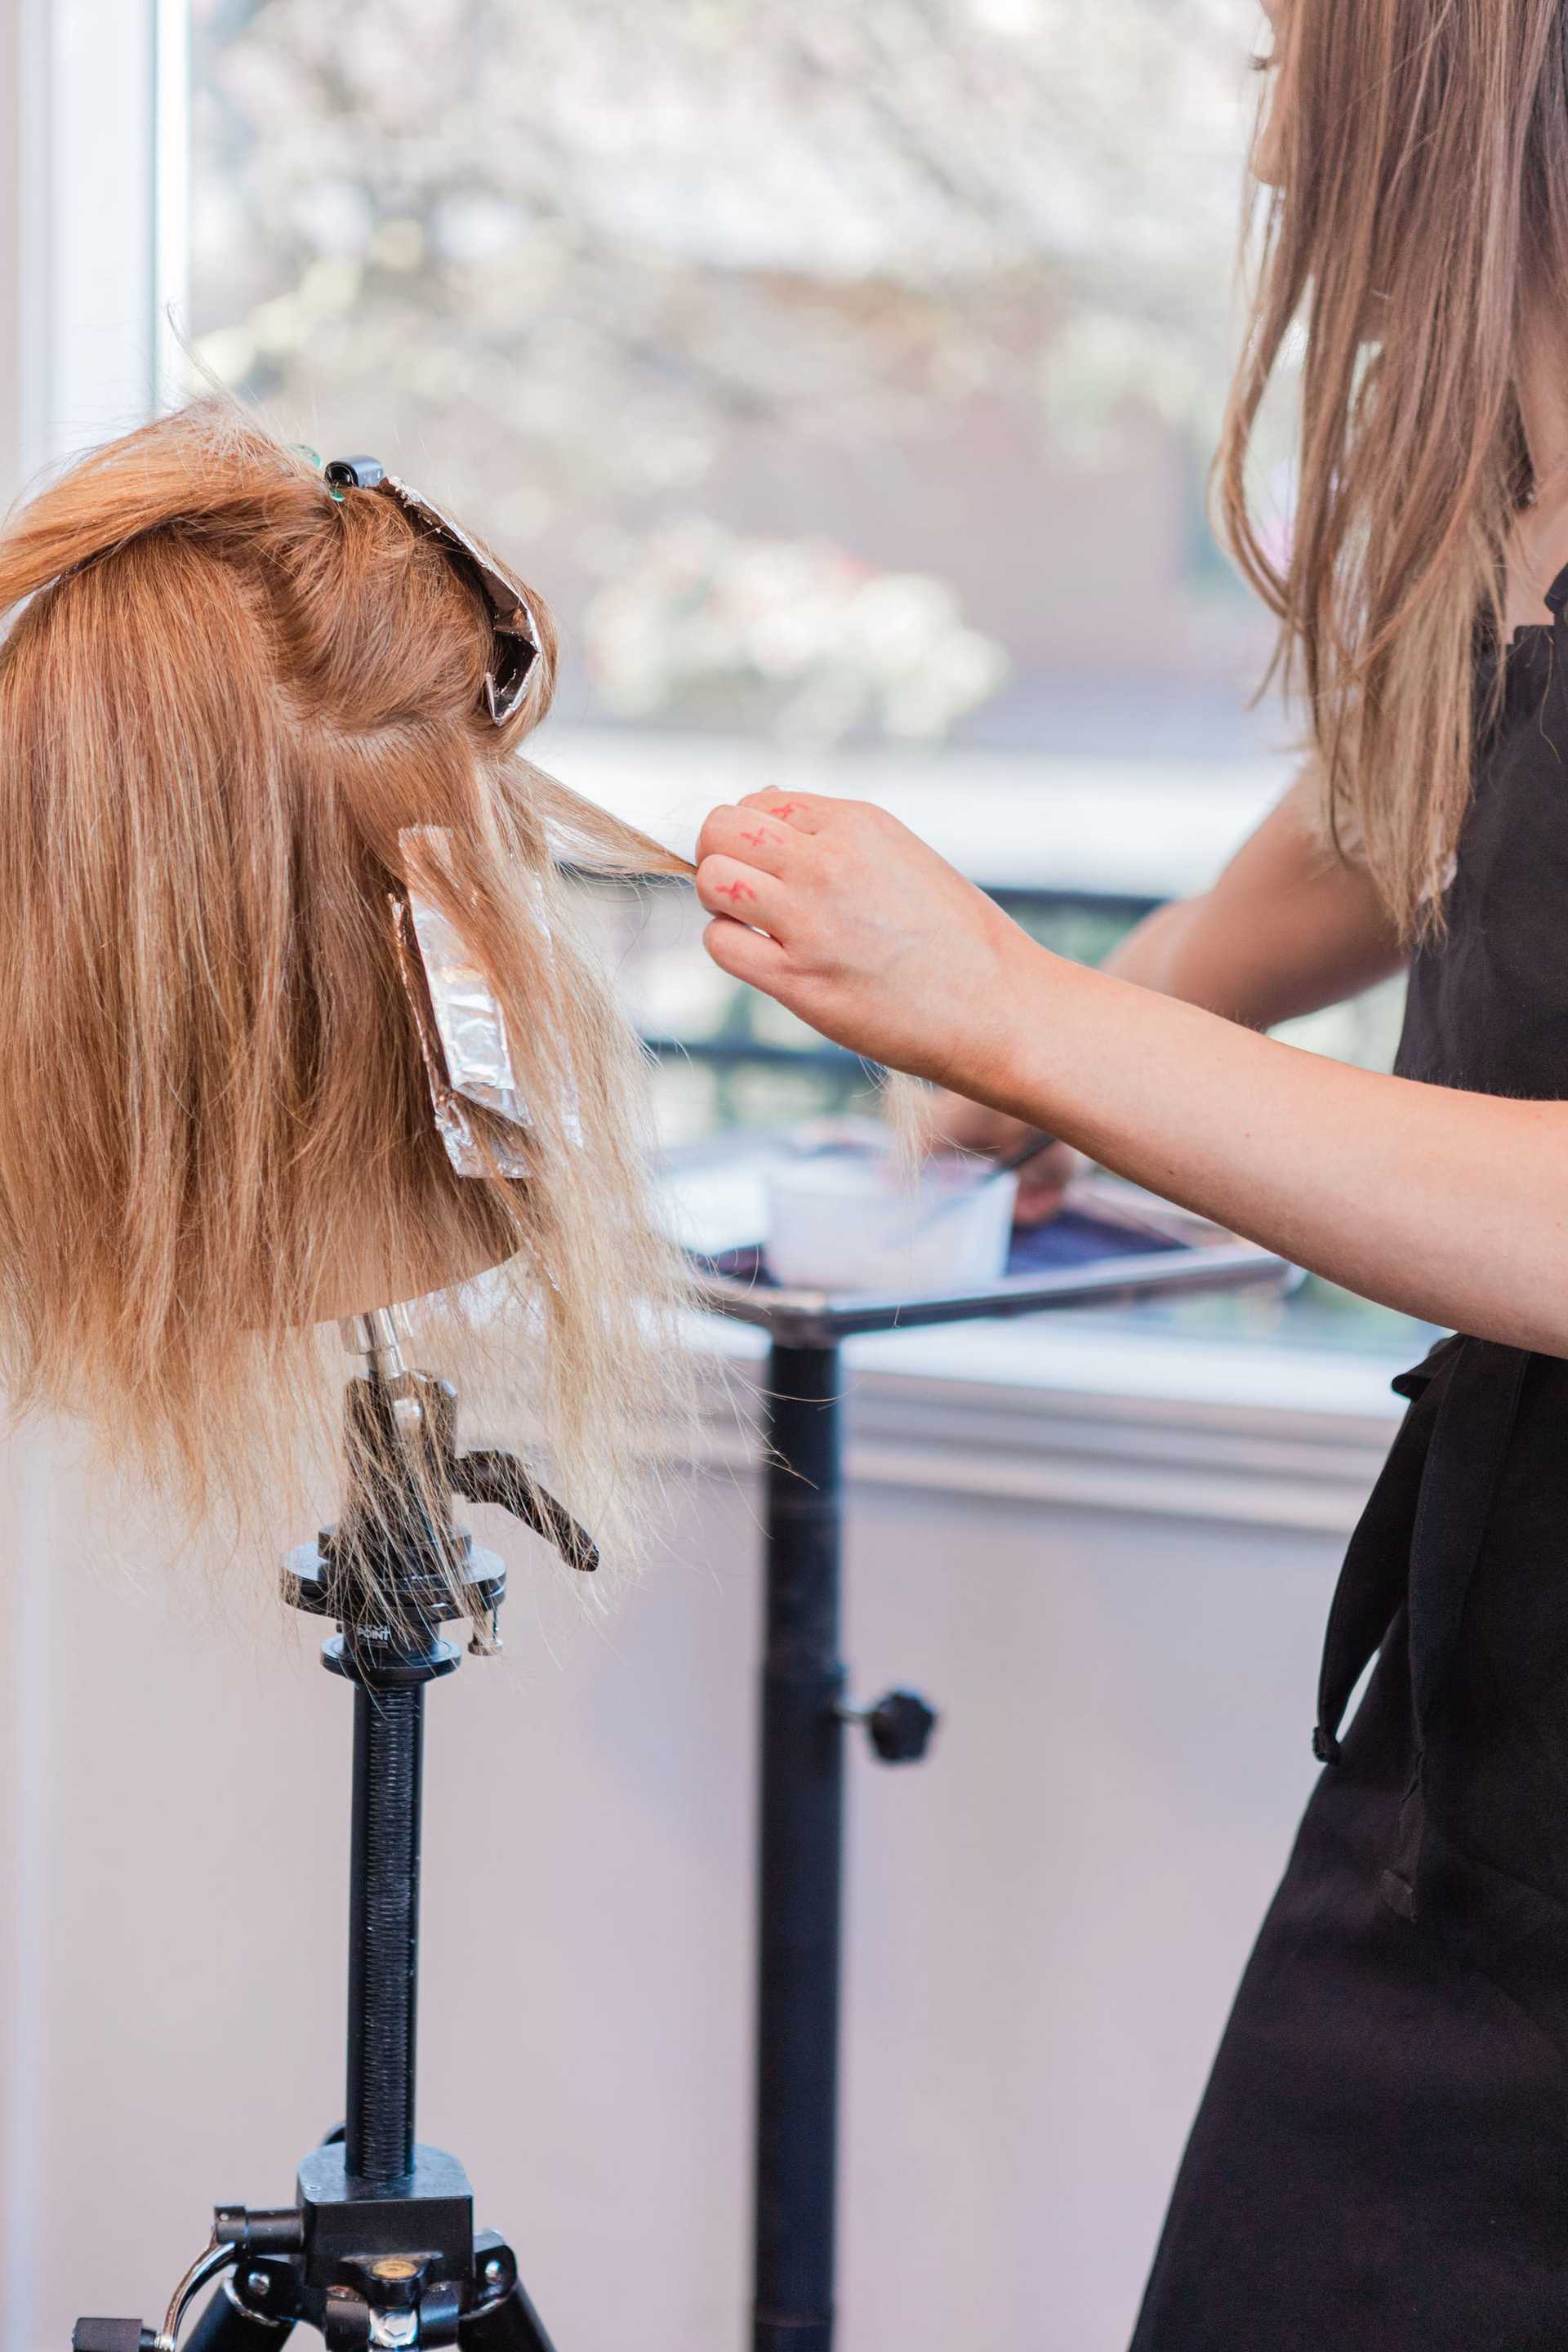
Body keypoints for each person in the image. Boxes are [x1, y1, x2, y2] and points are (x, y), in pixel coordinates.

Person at [694, 1, 1568, 2341]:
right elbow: (1417, 807)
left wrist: (1018, 1008)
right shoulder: (1511, 478)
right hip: (1482, 1732)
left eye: (1283, 32)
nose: (1249, 76)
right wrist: (1064, 1055)